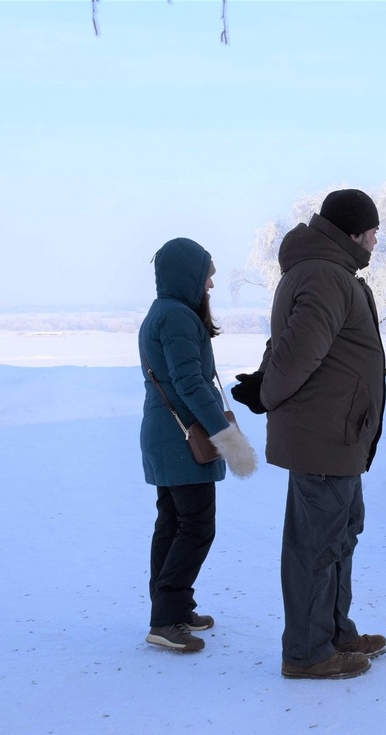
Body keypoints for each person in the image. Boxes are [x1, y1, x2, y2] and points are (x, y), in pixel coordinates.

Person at [245, 189, 386, 680]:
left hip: (339, 436)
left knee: (340, 536)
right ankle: (307, 652)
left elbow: (285, 344)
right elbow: (297, 354)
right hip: (324, 437)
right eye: (373, 232)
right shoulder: (327, 275)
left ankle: (334, 633)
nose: (376, 241)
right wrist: (266, 391)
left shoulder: (326, 271)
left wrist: (264, 382)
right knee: (317, 546)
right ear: (354, 232)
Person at [138, 237, 257, 653]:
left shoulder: (164, 312)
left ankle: (172, 609)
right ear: (187, 275)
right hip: (183, 438)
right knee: (196, 526)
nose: (210, 284)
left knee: (173, 524)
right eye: (206, 276)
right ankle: (166, 618)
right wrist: (228, 438)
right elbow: (190, 383)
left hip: (167, 435)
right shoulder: (176, 317)